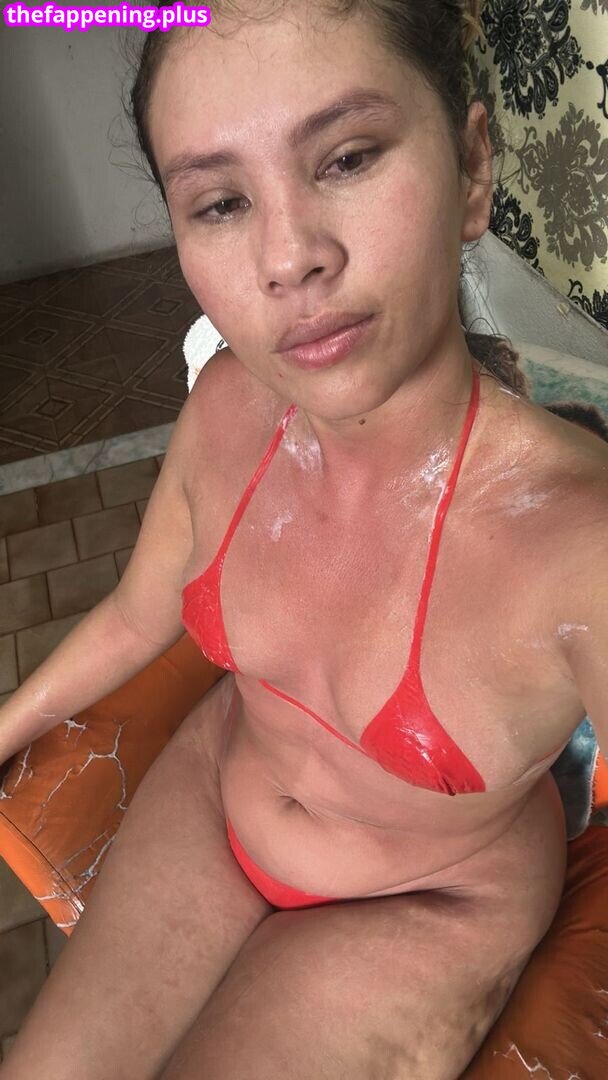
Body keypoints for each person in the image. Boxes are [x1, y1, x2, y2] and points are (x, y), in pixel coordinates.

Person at [2, 2, 608, 1078]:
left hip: (429, 899)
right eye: (221, 202)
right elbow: (138, 613)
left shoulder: (580, 546)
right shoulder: (225, 411)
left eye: (347, 158)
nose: (289, 258)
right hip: (218, 793)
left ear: (471, 168)